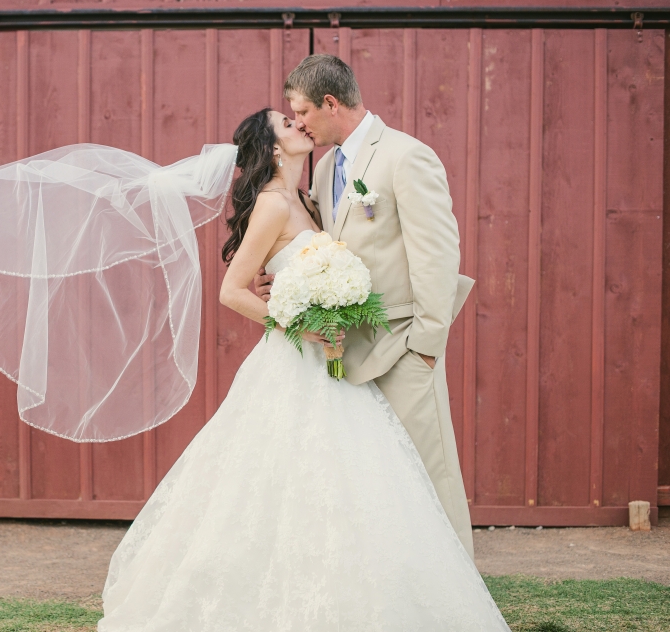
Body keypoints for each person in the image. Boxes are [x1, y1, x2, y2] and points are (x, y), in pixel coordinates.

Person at [95, 108, 510, 630]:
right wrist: (297, 324)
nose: (300, 126)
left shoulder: (307, 196)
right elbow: (230, 291)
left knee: (346, 480)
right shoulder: (272, 205)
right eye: (287, 125)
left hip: (334, 363)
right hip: (294, 363)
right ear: (273, 148)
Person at [253, 53, 476, 558]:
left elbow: (437, 257)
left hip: (401, 348)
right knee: (379, 486)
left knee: (427, 473)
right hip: (345, 352)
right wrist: (287, 284)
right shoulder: (329, 164)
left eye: (303, 112)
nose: (301, 124)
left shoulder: (405, 156)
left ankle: (454, 598)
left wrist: (424, 347)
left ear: (331, 103)